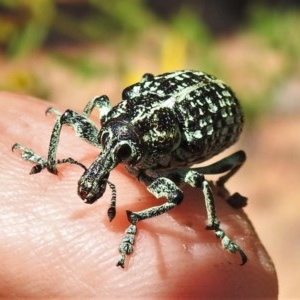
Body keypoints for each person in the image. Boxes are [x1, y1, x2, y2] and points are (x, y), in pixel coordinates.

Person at [0, 92, 278, 298]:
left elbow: (182, 193)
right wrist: (55, 161)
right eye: (107, 142)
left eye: (121, 154)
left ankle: (215, 225)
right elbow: (89, 108)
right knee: (67, 117)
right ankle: (48, 163)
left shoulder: (158, 156)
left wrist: (134, 221)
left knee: (197, 184)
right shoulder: (112, 130)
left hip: (213, 113)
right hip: (150, 109)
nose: (99, 169)